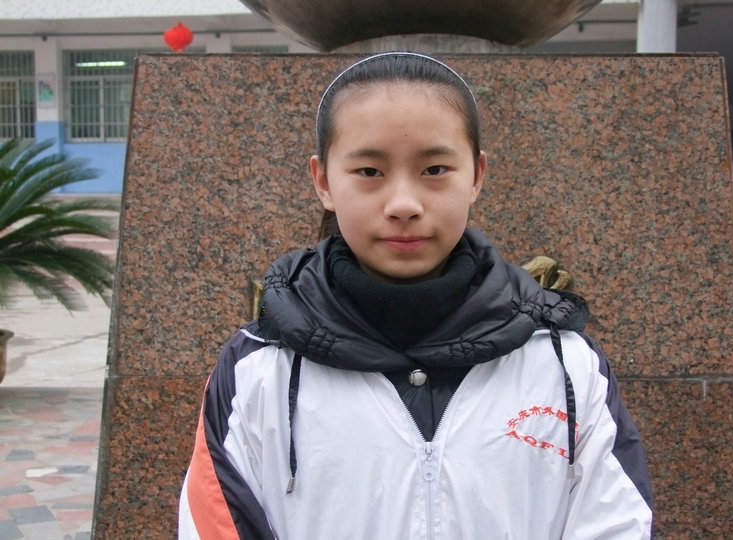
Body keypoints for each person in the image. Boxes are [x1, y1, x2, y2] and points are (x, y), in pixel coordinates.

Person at [178, 51, 653, 539]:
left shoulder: (564, 363)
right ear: (323, 181)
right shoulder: (257, 369)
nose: (403, 204)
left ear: (477, 176)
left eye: (435, 169)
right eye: (369, 172)